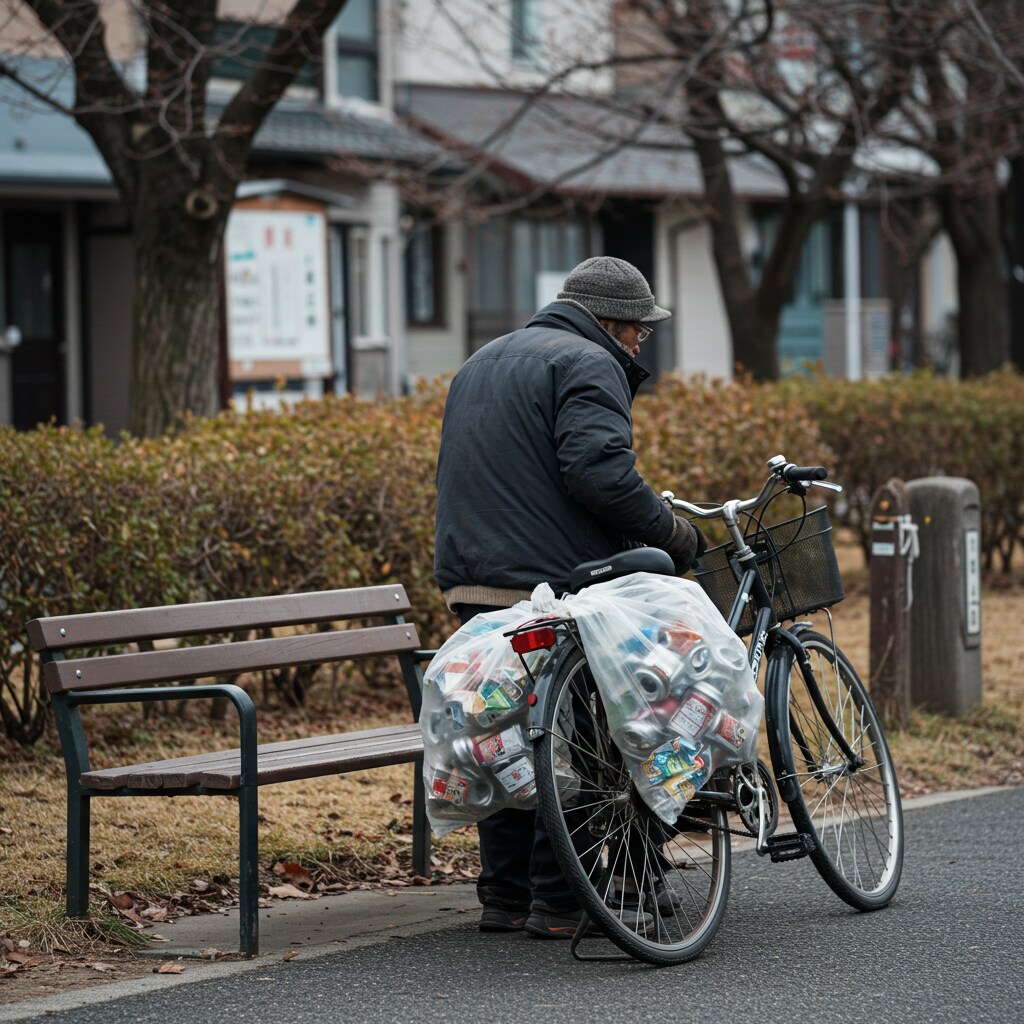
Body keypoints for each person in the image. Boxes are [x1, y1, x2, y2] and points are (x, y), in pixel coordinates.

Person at [433, 255, 705, 938]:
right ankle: (560, 903)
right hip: (552, 584)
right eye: (640, 332)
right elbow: (600, 473)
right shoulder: (589, 363)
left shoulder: (483, 361)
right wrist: (672, 533)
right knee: (576, 741)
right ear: (615, 324)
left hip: (474, 579)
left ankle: (504, 894)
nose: (641, 344)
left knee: (502, 735)